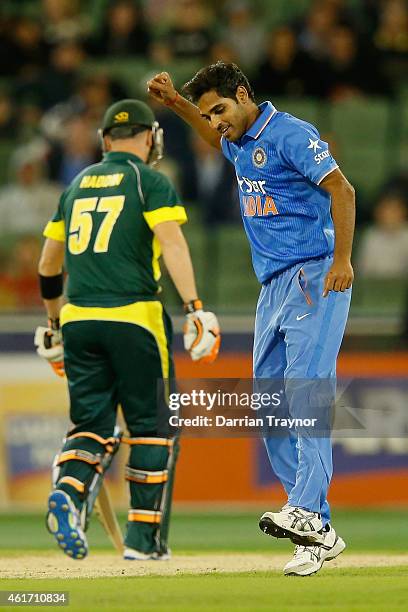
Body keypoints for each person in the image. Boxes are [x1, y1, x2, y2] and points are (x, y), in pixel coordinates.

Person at [147, 62, 355, 576]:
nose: (215, 122)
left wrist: (344, 261)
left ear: (243, 94)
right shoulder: (235, 137)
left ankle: (305, 509)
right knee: (268, 405)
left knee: (307, 392)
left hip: (313, 274)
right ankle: (317, 529)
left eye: (220, 110)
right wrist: (178, 103)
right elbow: (210, 131)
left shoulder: (289, 133)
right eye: (209, 114)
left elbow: (343, 191)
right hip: (271, 287)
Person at [34, 99, 220, 561]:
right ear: (149, 137)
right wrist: (195, 306)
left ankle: (69, 494)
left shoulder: (74, 185)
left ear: (103, 140)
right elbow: (172, 243)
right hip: (134, 315)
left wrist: (55, 324)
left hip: (79, 318)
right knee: (152, 428)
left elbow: (47, 265)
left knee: (91, 426)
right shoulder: (150, 180)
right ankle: (143, 541)